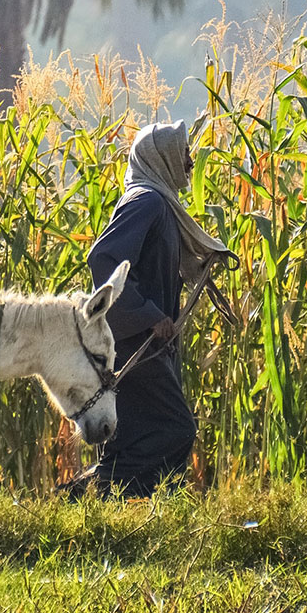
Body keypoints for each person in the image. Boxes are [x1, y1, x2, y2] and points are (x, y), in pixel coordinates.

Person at [81, 119, 229, 498]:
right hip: (135, 341)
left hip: (149, 340)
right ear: (160, 157)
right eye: (182, 152)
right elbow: (104, 259)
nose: (190, 160)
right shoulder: (146, 201)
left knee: (135, 434)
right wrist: (148, 315)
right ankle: (100, 494)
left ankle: (139, 507)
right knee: (175, 428)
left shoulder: (158, 201)